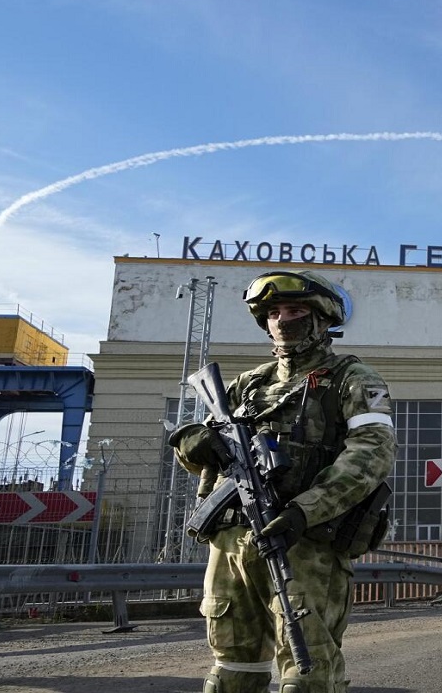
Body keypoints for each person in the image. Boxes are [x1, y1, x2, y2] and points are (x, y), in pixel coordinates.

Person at [168, 270, 397, 693]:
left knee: (306, 674)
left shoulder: (354, 379)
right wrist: (192, 442)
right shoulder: (249, 384)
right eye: (273, 312)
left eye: (294, 310)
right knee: (230, 672)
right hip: (233, 538)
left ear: (321, 320)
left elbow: (371, 456)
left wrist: (303, 511)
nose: (282, 320)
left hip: (303, 541)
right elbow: (197, 449)